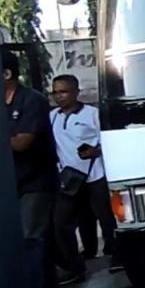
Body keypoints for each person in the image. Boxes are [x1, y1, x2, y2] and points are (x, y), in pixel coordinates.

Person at [3, 48, 64, 288]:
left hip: (36, 183)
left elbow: (22, 142)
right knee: (25, 243)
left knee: (31, 240)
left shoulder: (32, 101)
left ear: (6, 74)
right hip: (8, 184)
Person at [49, 75, 119, 269]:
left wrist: (96, 151)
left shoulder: (92, 114)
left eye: (63, 91)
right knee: (62, 222)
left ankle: (116, 255)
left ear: (76, 92)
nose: (59, 96)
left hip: (94, 175)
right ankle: (75, 262)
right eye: (55, 92)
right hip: (70, 179)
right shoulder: (53, 116)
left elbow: (109, 139)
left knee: (105, 218)